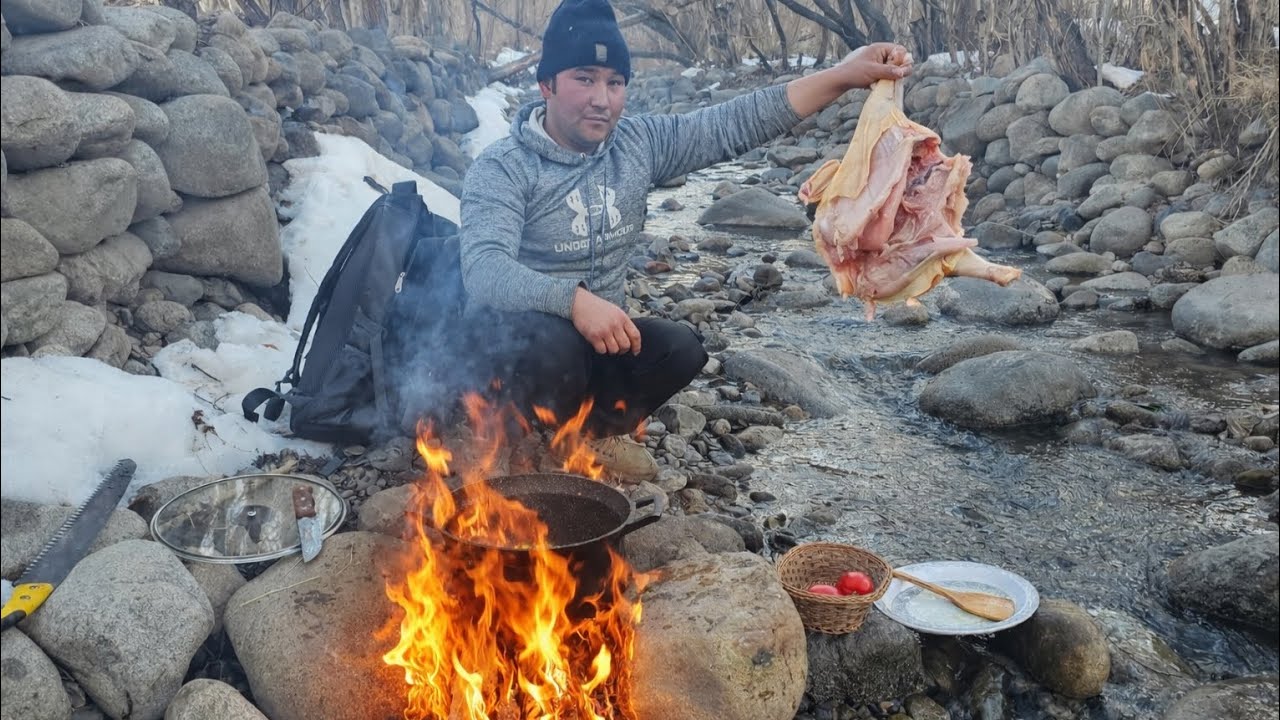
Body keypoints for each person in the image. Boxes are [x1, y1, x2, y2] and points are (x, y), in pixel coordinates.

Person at [458, 0, 912, 481]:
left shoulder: (637, 145)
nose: (601, 98)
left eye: (614, 83)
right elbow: (484, 269)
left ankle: (578, 440)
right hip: (515, 352)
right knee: (556, 344)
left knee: (682, 349)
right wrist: (574, 302)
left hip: (595, 345)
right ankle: (503, 435)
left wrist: (843, 75)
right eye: (584, 78)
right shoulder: (503, 166)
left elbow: (733, 123)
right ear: (546, 84)